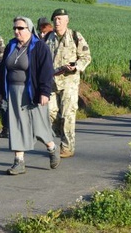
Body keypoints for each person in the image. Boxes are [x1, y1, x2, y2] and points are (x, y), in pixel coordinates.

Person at [0, 17, 60, 174]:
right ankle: (19, 161)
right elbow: (3, 69)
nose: (17, 31)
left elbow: (46, 71)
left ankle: (52, 148)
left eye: (20, 28)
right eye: (15, 28)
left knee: (39, 126)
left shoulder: (39, 47)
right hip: (14, 92)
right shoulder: (11, 46)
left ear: (29, 29)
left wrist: (44, 92)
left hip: (32, 92)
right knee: (16, 125)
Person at [45, 8, 92, 158]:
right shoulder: (48, 38)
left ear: (67, 21)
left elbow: (86, 56)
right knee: (49, 113)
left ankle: (67, 147)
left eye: (60, 19)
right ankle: (60, 134)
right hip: (52, 81)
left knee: (67, 115)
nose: (57, 22)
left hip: (69, 82)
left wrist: (76, 66)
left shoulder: (75, 36)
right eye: (55, 19)